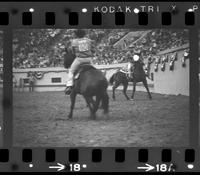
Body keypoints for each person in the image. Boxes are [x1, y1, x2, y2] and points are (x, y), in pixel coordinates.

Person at [65, 29, 94, 95]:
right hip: (89, 59)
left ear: (77, 34)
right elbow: (92, 49)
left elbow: (73, 52)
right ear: (84, 34)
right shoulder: (89, 40)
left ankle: (69, 86)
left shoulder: (74, 41)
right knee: (95, 70)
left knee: (71, 71)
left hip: (79, 59)